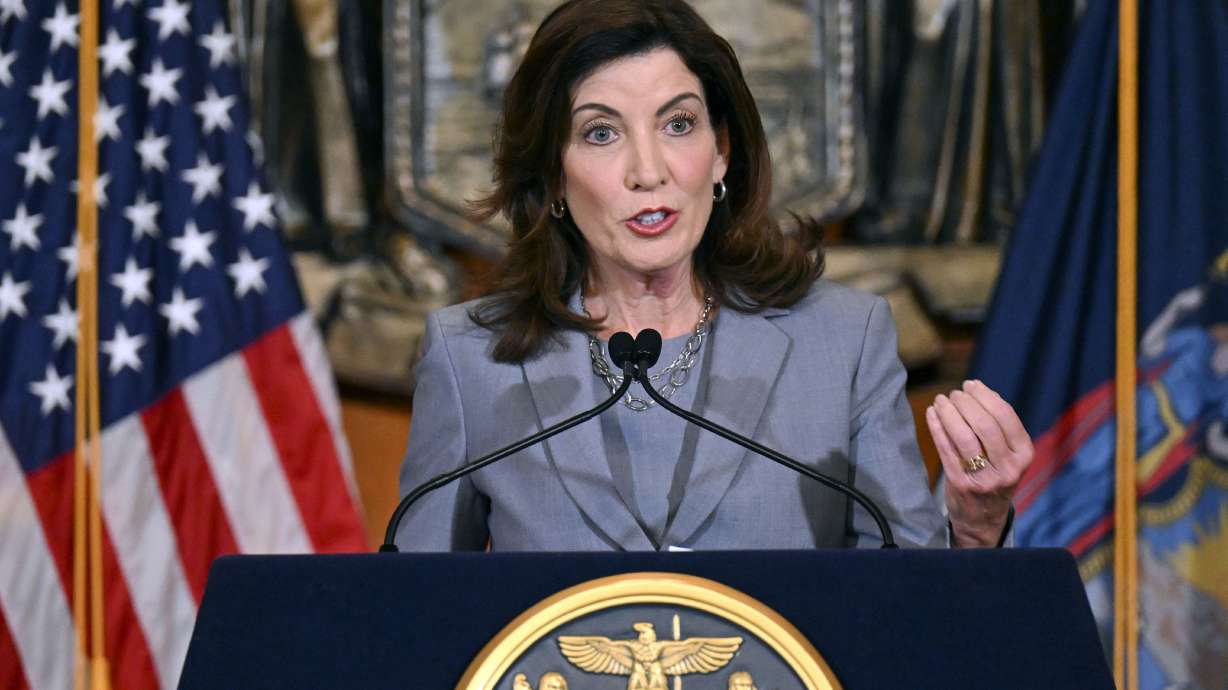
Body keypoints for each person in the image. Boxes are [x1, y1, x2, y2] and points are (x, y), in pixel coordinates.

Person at [395, 0, 1033, 552]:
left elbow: (912, 611)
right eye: (600, 133)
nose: (649, 170)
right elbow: (419, 618)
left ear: (721, 150)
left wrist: (975, 527)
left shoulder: (843, 342)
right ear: (553, 176)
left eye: (678, 124)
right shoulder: (471, 359)